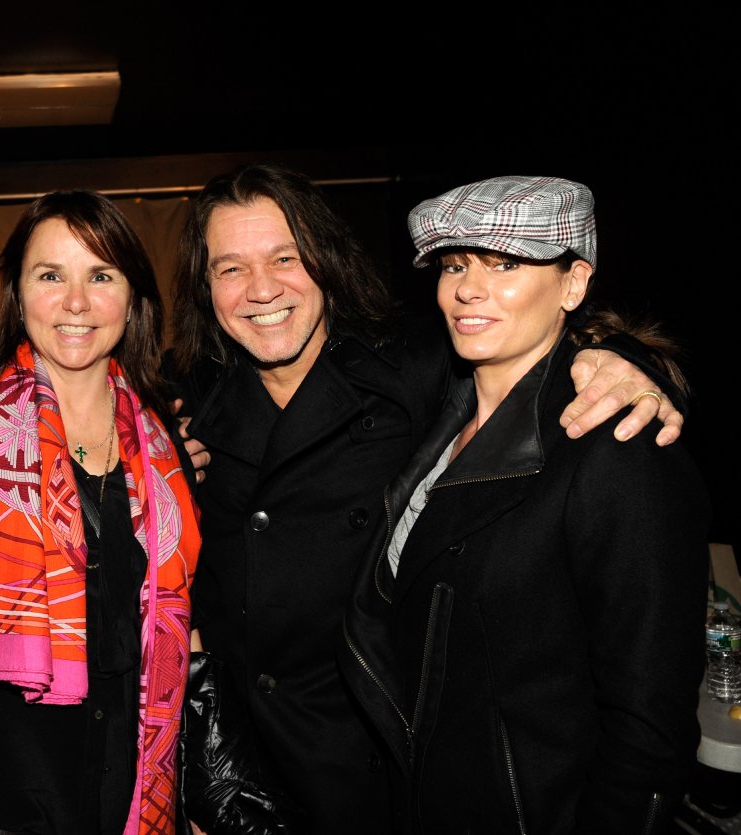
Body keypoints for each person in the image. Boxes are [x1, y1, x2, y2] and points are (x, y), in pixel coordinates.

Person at [167, 163, 686, 833]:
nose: (260, 288)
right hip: (252, 777)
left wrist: (618, 355)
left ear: (323, 260)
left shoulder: (414, 369)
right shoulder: (191, 404)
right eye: (229, 268)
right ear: (204, 286)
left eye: (285, 258)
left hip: (383, 777)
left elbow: (524, 355)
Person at [342, 175, 708, 833]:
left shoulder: (620, 448)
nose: (467, 288)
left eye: (506, 263)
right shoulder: (439, 415)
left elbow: (648, 727)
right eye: (454, 264)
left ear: (572, 284)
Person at [0, 190, 202, 835]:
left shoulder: (164, 446)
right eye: (51, 275)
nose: (77, 303)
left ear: (133, 296)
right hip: (6, 800)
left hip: (137, 797)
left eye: (101, 275)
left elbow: (185, 623)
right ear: (18, 293)